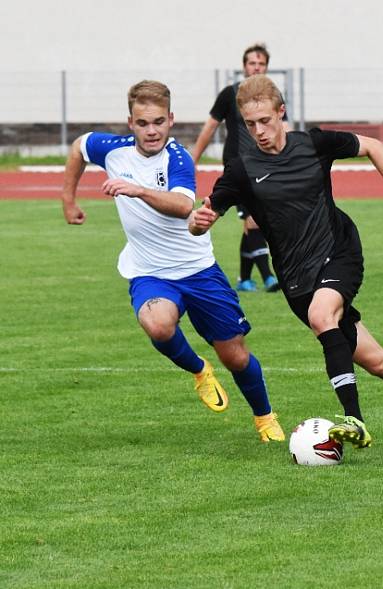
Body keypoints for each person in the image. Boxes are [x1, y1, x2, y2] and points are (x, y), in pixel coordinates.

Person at [189, 74, 383, 449]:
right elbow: (203, 216)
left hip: (339, 251)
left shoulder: (314, 143)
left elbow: (373, 146)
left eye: (265, 121)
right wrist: (197, 221)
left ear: (281, 113)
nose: (258, 131)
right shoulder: (242, 169)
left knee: (324, 316)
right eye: (250, 124)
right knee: (378, 363)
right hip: (295, 278)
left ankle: (355, 420)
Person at [61, 80, 285, 444]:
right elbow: (77, 148)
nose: (153, 131)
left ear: (172, 120)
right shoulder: (112, 150)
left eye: (160, 122)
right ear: (130, 122)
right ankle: (199, 371)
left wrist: (138, 190)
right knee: (157, 324)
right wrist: (68, 200)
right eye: (144, 123)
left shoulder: (177, 158)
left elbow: (184, 205)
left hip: (198, 272)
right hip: (150, 272)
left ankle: (264, 418)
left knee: (236, 357)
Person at [191, 43, 279, 293]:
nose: (256, 67)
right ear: (244, 66)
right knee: (253, 221)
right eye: (252, 63)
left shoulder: (272, 97)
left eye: (261, 64)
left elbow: (281, 128)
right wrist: (193, 159)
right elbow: (210, 127)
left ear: (266, 67)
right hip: (238, 167)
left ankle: (244, 278)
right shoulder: (230, 94)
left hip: (264, 165)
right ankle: (268, 275)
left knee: (255, 220)